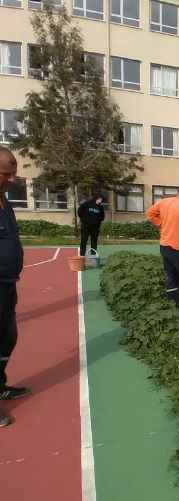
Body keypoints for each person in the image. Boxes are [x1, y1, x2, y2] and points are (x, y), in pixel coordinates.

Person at [0, 146, 29, 428]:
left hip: (7, 282)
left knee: (7, 337)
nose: (11, 180)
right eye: (5, 174)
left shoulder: (3, 201)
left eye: (13, 175)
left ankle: (0, 384)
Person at [146, 184, 179, 315]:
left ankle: (174, 305)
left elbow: (150, 213)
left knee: (170, 276)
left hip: (164, 246)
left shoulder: (164, 202)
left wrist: (162, 225)